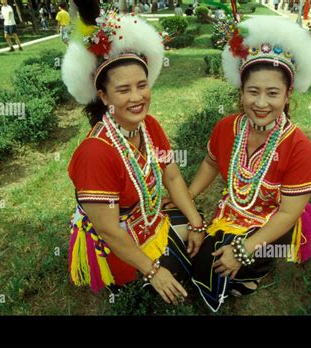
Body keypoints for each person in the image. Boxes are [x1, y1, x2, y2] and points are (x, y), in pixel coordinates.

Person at [61, 0, 205, 304]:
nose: (137, 97)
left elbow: (173, 176)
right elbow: (109, 230)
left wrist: (196, 223)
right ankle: (131, 282)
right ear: (103, 96)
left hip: (148, 217)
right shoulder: (95, 153)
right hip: (117, 240)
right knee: (179, 276)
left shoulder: (148, 125)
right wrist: (153, 271)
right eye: (123, 90)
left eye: (142, 85)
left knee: (202, 246)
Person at [189, 16, 311, 312]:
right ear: (241, 91)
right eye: (253, 91)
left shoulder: (298, 146)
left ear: (288, 95)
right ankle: (235, 264)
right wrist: (189, 196)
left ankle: (255, 271)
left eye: (273, 93)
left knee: (232, 262)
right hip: (230, 214)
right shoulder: (226, 128)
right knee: (200, 262)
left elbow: (288, 213)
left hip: (274, 222)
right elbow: (210, 164)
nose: (261, 103)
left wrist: (244, 249)